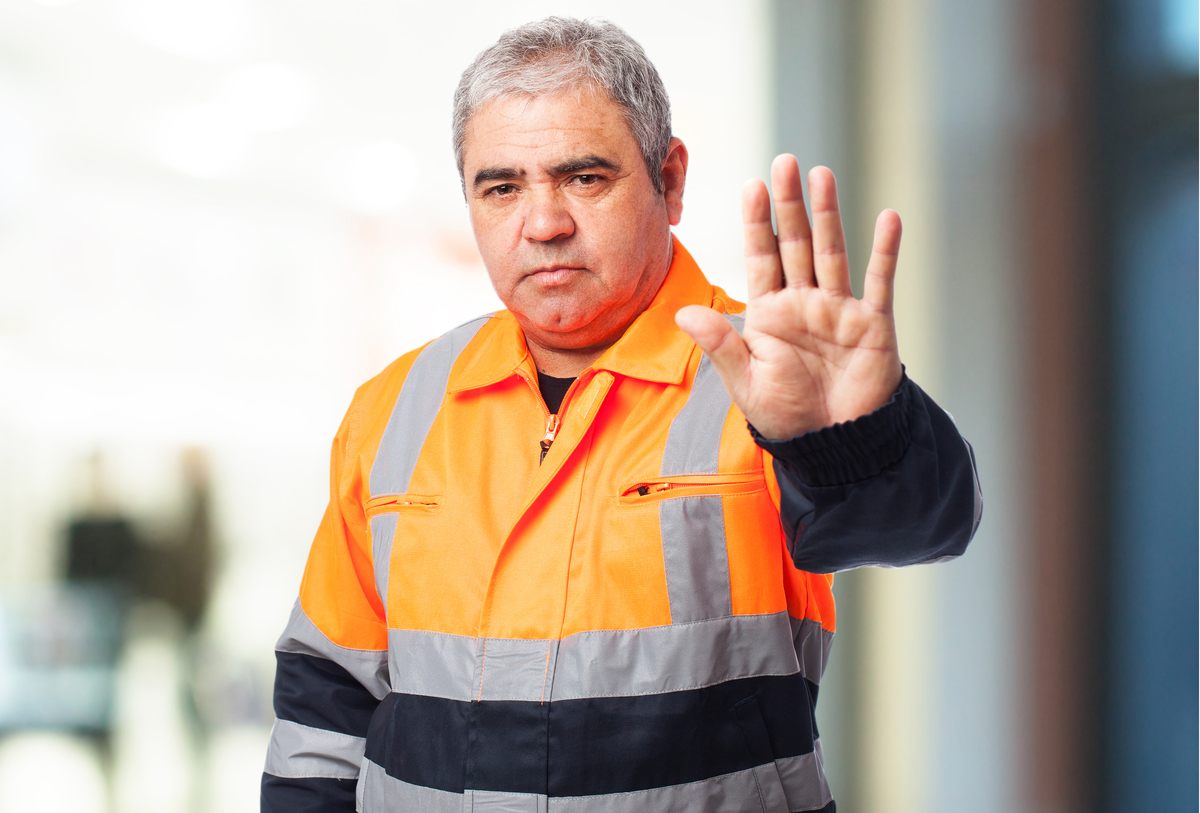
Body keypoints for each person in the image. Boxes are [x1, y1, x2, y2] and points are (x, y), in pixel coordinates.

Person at [261, 17, 980, 813]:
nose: (542, 224)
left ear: (669, 180)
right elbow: (324, 707)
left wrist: (852, 438)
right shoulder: (396, 406)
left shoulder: (768, 380)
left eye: (584, 178)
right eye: (501, 186)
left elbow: (917, 525)